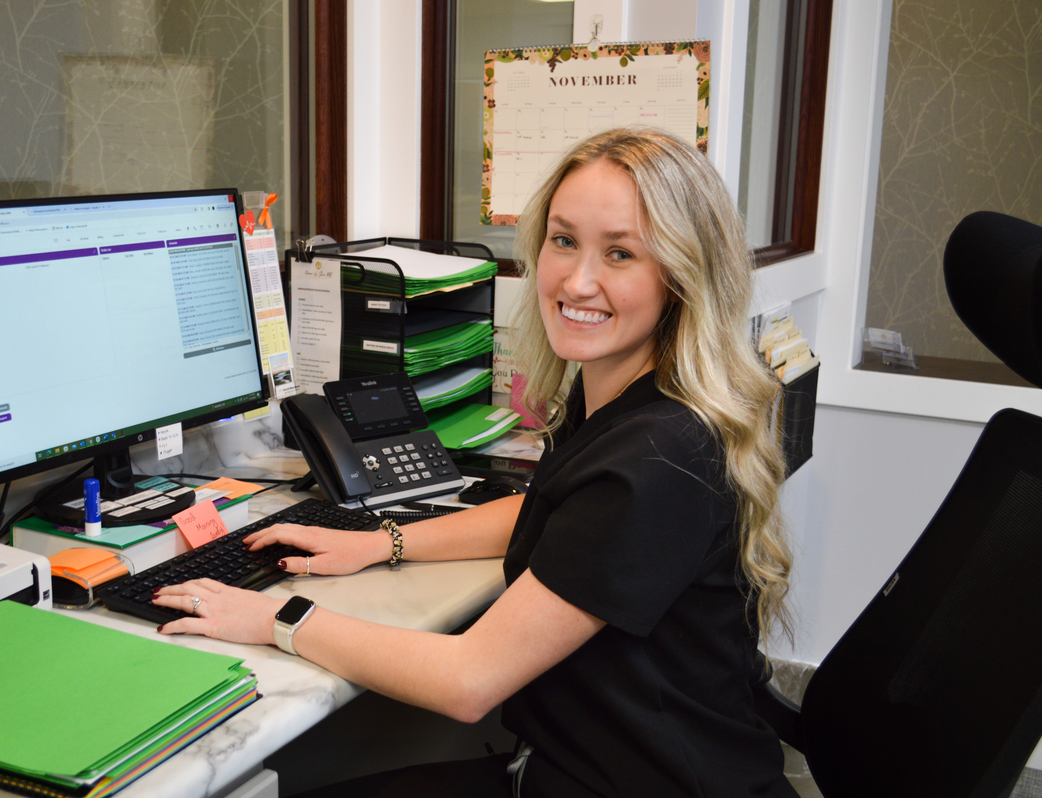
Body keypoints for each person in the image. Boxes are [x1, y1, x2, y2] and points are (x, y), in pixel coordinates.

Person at [154, 127, 796, 798]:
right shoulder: (633, 399)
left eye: (620, 253)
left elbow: (469, 680)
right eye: (563, 240)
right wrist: (378, 542)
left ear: (683, 276)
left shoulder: (657, 457)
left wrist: (274, 620)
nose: (577, 281)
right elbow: (559, 514)